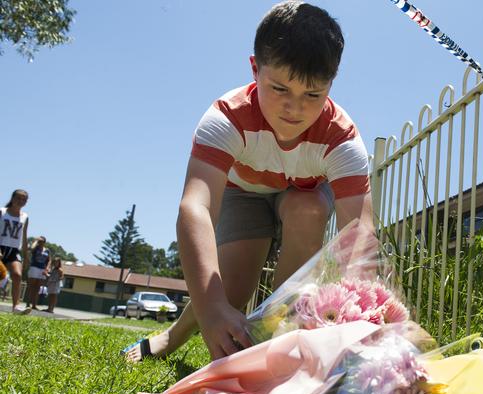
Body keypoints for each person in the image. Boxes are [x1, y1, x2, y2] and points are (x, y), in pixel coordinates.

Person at [123, 1, 374, 362]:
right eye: (280, 89)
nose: (295, 108)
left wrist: (366, 321)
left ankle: (275, 341)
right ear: (255, 68)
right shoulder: (226, 117)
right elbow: (196, 207)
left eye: (313, 95)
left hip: (303, 193)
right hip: (246, 192)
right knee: (230, 290)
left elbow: (360, 236)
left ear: (331, 83)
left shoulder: (342, 138)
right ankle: (174, 336)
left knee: (309, 210)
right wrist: (212, 311)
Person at [0, 189, 30, 314]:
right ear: (12, 199)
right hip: (0, 247)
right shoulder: (2, 212)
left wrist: (26, 255)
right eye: (18, 198)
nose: (21, 201)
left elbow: (24, 236)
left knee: (17, 275)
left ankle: (16, 307)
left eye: (24, 199)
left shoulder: (25, 217)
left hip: (13, 251)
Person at [25, 236, 50, 311]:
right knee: (31, 286)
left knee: (37, 288)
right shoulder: (35, 248)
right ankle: (28, 303)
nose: (40, 242)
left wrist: (47, 268)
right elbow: (30, 249)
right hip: (34, 267)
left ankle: (34, 305)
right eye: (39, 241)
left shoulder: (47, 250)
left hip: (42, 269)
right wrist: (36, 241)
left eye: (42, 241)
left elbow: (49, 260)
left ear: (44, 242)